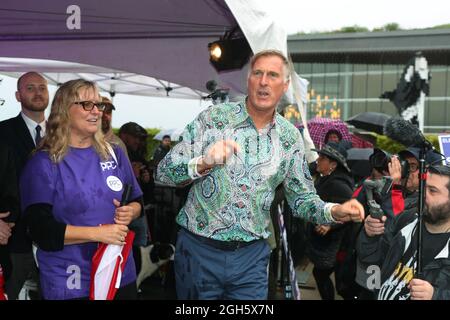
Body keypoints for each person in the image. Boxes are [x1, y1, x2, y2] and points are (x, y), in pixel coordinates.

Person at [156, 49, 364, 300]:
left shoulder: (290, 138)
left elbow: (302, 199)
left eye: (273, 75)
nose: (264, 81)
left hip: (251, 258)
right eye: (258, 73)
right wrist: (203, 162)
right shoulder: (213, 119)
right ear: (249, 80)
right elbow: (163, 172)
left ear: (285, 85)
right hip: (200, 252)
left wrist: (333, 211)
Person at [19, 79, 143, 300]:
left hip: (119, 273)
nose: (97, 112)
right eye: (87, 104)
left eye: (99, 105)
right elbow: (40, 229)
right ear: (65, 109)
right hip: (70, 281)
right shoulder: (44, 162)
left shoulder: (113, 153)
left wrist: (130, 211)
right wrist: (99, 233)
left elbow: (137, 201)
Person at [357, 164, 450, 300]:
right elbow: (372, 260)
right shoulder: (406, 220)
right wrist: (370, 236)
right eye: (424, 187)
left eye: (433, 190)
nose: (424, 194)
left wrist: (435, 296)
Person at [0, 71, 49, 300]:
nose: (37, 92)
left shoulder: (64, 135)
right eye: (30, 88)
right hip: (13, 239)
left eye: (42, 87)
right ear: (18, 95)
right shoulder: (3, 132)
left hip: (56, 241)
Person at [306, 142, 355, 300]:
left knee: (331, 279)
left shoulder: (338, 185)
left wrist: (330, 225)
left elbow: (351, 211)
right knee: (321, 274)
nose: (317, 160)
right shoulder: (325, 179)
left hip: (336, 244)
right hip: (325, 243)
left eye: (322, 158)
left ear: (333, 164)